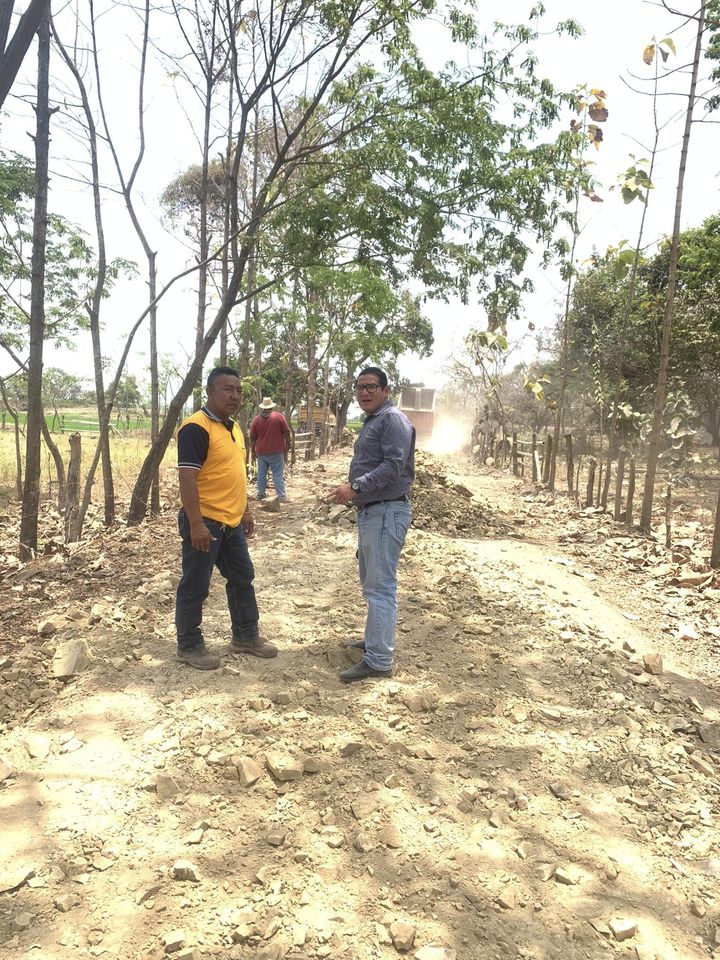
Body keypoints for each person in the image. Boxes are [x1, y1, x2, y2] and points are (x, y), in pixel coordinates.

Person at [175, 367, 278, 670]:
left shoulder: (232, 427)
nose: (234, 396)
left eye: (238, 391)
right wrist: (195, 524)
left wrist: (244, 510)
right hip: (205, 521)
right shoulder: (196, 427)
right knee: (196, 584)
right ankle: (189, 645)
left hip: (231, 522)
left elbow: (232, 473)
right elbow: (187, 478)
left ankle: (246, 635)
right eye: (227, 389)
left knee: (242, 577)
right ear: (209, 392)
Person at [329, 366, 415, 682]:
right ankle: (375, 640)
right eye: (360, 387)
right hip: (373, 512)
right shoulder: (375, 420)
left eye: (371, 387)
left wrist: (355, 487)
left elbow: (393, 466)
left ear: (386, 390)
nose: (364, 392)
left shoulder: (392, 420)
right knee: (372, 582)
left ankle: (378, 660)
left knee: (380, 587)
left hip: (385, 511)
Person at [249, 397, 291, 502]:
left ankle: (260, 494)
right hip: (276, 450)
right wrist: (288, 444)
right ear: (272, 407)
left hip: (261, 452)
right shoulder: (278, 416)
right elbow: (287, 431)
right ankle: (281, 496)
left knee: (261, 473)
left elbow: (252, 438)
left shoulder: (256, 419)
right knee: (277, 473)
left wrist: (253, 452)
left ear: (263, 408)